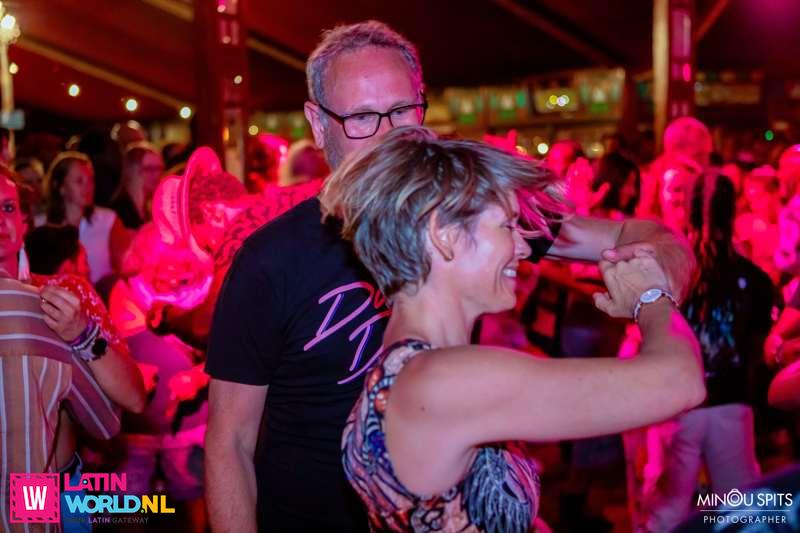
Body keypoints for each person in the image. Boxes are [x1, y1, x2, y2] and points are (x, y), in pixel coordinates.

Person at [205, 20, 695, 532]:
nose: (389, 136)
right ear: (318, 122)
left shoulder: (465, 216)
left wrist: (664, 271)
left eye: (403, 112)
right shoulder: (272, 261)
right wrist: (651, 300)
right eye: (362, 117)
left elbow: (648, 238)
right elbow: (229, 443)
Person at [318, 126, 704, 531]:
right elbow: (679, 382)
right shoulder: (440, 381)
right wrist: (650, 298)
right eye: (506, 227)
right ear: (443, 235)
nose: (523, 247)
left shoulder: (416, 368)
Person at [0, 170, 144, 532]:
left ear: (24, 221)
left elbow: (133, 399)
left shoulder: (62, 296)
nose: (0, 221)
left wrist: (82, 334)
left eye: (7, 208)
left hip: (45, 485)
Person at [43, 151, 127, 287]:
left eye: (91, 180)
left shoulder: (108, 220)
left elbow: (125, 267)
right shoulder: (42, 226)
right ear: (60, 187)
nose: (88, 187)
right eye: (79, 181)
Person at [111, 141, 165, 230]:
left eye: (159, 168)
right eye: (149, 169)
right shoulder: (118, 213)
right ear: (132, 170)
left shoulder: (151, 207)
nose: (157, 175)